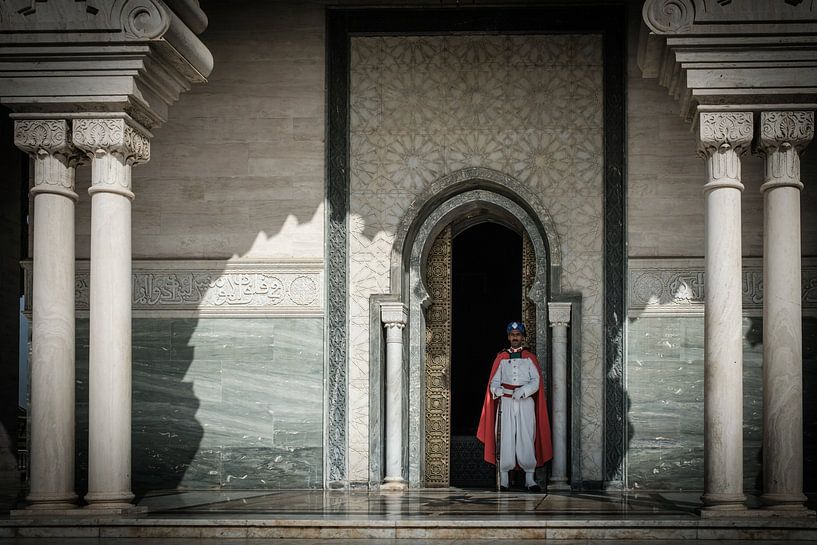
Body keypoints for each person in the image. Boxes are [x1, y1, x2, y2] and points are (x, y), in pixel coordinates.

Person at [476, 321, 552, 492]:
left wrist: (524, 391)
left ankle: (530, 479)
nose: (515, 337)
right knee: (506, 437)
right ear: (509, 337)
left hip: (525, 402)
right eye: (512, 335)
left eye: (518, 335)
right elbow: (494, 381)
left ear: (522, 337)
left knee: (526, 436)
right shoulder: (502, 357)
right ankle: (504, 479)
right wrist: (497, 390)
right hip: (506, 402)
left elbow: (536, 381)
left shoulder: (530, 358)